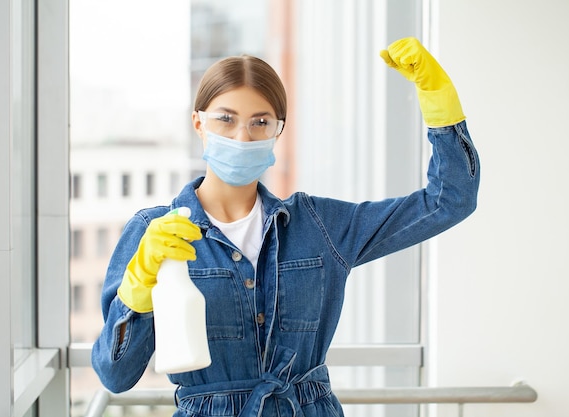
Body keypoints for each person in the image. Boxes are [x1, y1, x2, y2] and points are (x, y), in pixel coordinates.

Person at [92, 37, 480, 417]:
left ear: (278, 130)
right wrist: (139, 283)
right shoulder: (154, 234)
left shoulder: (319, 227)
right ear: (198, 123)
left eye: (260, 122)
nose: (242, 136)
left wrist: (440, 104)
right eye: (225, 119)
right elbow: (116, 375)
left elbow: (448, 201)